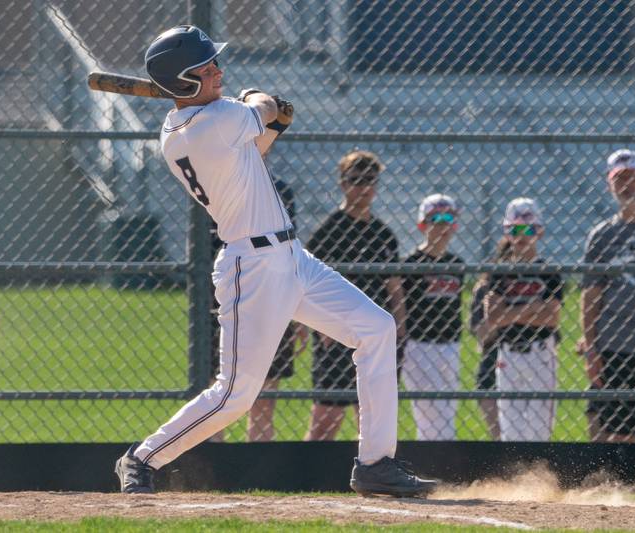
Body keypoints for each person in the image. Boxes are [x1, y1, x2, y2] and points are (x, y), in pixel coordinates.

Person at [114, 25, 436, 497]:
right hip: (253, 266)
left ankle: (375, 464)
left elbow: (256, 146)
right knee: (235, 394)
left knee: (376, 328)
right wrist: (260, 98)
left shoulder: (182, 130)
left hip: (292, 257)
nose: (218, 70)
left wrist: (272, 122)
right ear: (181, 82)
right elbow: (263, 108)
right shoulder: (215, 120)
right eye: (205, 68)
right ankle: (142, 458)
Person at [302, 150, 406, 442]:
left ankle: (371, 468)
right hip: (335, 331)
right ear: (343, 183)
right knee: (326, 418)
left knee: (370, 413)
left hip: (373, 331)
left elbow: (394, 287)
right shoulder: (328, 231)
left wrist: (400, 327)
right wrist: (319, 326)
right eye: (355, 180)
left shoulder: (383, 234)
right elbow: (306, 285)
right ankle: (308, 475)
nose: (363, 188)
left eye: (370, 180)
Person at [209, 178, 305, 442]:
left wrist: (296, 312)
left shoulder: (279, 189)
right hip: (224, 299)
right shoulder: (215, 183)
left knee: (265, 393)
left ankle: (258, 465)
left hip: (273, 296)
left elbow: (289, 249)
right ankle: (215, 466)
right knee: (219, 389)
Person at [579, 148, 635, 442]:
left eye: (632, 176)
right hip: (616, 344)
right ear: (610, 184)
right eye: (619, 179)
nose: (626, 184)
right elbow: (590, 296)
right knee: (618, 434)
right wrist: (592, 350)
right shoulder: (602, 235)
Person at [484, 198, 563, 441]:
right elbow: (493, 318)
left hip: (541, 353)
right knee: (511, 431)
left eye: (529, 229)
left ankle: (538, 477)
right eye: (515, 229)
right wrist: (534, 308)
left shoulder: (549, 270)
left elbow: (552, 319)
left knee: (539, 432)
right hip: (507, 354)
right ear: (507, 232)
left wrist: (511, 312)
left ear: (539, 231)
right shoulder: (499, 270)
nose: (522, 235)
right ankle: (518, 479)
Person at [400, 194, 464, 441]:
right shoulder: (411, 263)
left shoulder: (456, 263)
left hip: (452, 344)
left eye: (448, 218)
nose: (442, 224)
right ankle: (434, 464)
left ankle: (439, 462)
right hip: (420, 344)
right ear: (422, 224)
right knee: (430, 416)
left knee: (447, 412)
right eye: (434, 218)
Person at [468, 240, 507, 441]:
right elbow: (484, 336)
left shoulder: (531, 283)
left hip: (527, 356)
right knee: (500, 436)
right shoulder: (484, 288)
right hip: (492, 358)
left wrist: (504, 315)